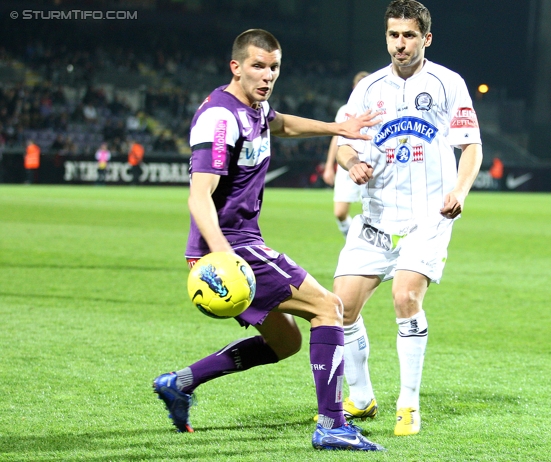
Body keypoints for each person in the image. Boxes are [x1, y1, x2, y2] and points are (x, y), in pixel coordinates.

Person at [152, 29, 384, 451]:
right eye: (258, 66)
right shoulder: (220, 118)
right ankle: (332, 424)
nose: (268, 75)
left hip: (237, 243)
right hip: (230, 246)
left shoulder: (253, 108)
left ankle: (180, 383)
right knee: (329, 307)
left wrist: (338, 127)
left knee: (286, 342)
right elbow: (199, 196)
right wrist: (224, 257)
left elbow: (283, 125)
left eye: (274, 67)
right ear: (236, 67)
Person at [332, 0, 483, 436]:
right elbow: (344, 142)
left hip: (428, 214)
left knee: (404, 298)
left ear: (426, 38)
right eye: (394, 35)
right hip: (377, 216)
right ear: (386, 37)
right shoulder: (368, 89)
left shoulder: (447, 83)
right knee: (340, 309)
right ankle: (360, 398)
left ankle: (409, 405)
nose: (401, 44)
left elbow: (471, 146)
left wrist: (460, 190)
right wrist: (349, 162)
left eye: (409, 35)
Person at [323, 71, 370, 237]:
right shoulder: (345, 110)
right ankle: (354, 240)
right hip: (348, 163)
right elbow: (336, 139)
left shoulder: (379, 108)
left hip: (371, 164)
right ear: (354, 88)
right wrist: (329, 166)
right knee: (340, 213)